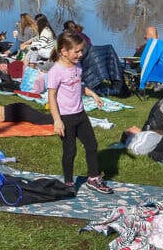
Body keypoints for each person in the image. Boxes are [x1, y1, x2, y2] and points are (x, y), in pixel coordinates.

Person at [47, 30, 113, 193]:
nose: (80, 54)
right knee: (70, 151)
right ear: (64, 51)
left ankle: (93, 177)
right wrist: (57, 120)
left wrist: (93, 94)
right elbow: (51, 97)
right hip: (65, 118)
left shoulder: (77, 65)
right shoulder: (56, 71)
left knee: (92, 145)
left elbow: (78, 86)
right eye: (76, 51)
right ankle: (68, 183)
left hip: (80, 114)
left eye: (81, 50)